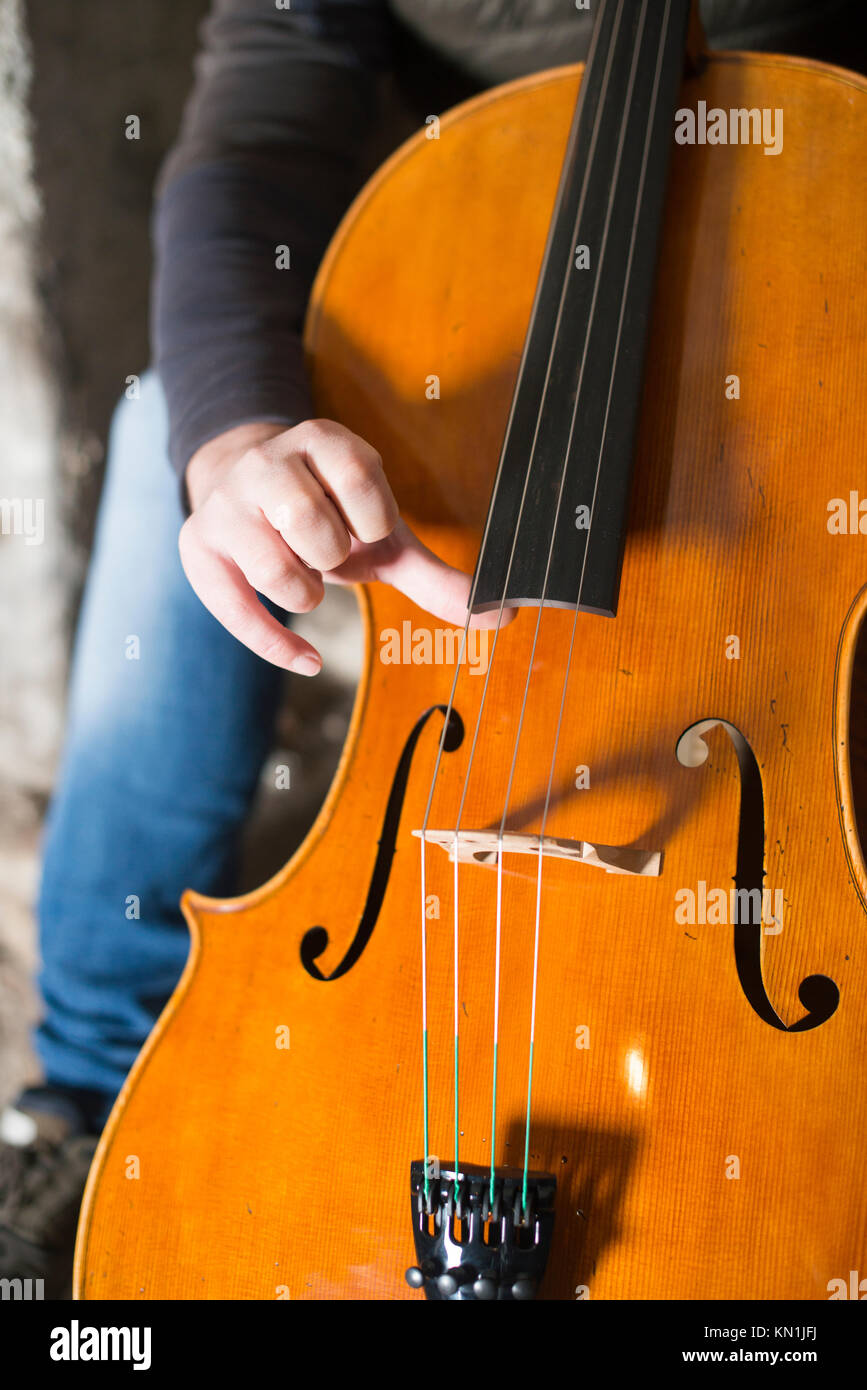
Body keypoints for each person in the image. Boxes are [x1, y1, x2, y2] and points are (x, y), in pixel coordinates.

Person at [0, 0, 858, 1298]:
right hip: (494, 233)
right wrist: (238, 447)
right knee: (171, 422)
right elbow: (261, 126)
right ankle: (80, 1085)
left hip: (821, 227)